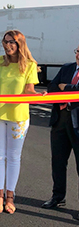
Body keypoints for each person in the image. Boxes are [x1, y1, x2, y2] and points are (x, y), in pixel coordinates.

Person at [0, 30, 44, 214]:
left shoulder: (29, 65)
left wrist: (36, 95)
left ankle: (10, 197)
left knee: (13, 157)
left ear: (20, 44)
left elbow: (29, 90)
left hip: (18, 117)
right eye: (5, 41)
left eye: (12, 42)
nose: (8, 45)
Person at [42, 45, 79, 216]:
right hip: (60, 121)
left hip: (77, 123)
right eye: (77, 51)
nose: (78, 54)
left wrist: (66, 88)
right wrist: (65, 88)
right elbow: (51, 88)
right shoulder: (67, 68)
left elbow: (63, 88)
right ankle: (58, 197)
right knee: (58, 162)